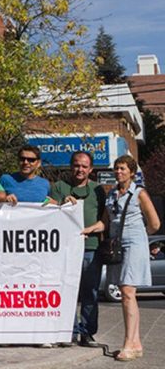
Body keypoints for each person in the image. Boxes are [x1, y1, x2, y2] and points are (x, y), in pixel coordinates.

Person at [82, 155, 161, 361]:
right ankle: (135, 343)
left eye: (123, 169)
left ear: (132, 172)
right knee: (126, 293)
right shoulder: (112, 195)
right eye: (116, 168)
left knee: (127, 291)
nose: (118, 172)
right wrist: (88, 229)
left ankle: (129, 344)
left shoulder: (139, 193)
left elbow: (154, 224)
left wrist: (139, 236)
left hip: (134, 243)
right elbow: (104, 223)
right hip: (117, 245)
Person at [49, 151, 107, 347]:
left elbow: (104, 220)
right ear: (70, 166)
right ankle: (69, 331)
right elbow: (48, 211)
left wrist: (92, 229)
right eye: (76, 165)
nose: (79, 169)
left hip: (90, 248)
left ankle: (87, 332)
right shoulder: (59, 187)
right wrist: (60, 204)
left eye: (84, 166)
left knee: (89, 292)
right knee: (67, 292)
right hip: (64, 249)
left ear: (90, 169)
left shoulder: (98, 190)